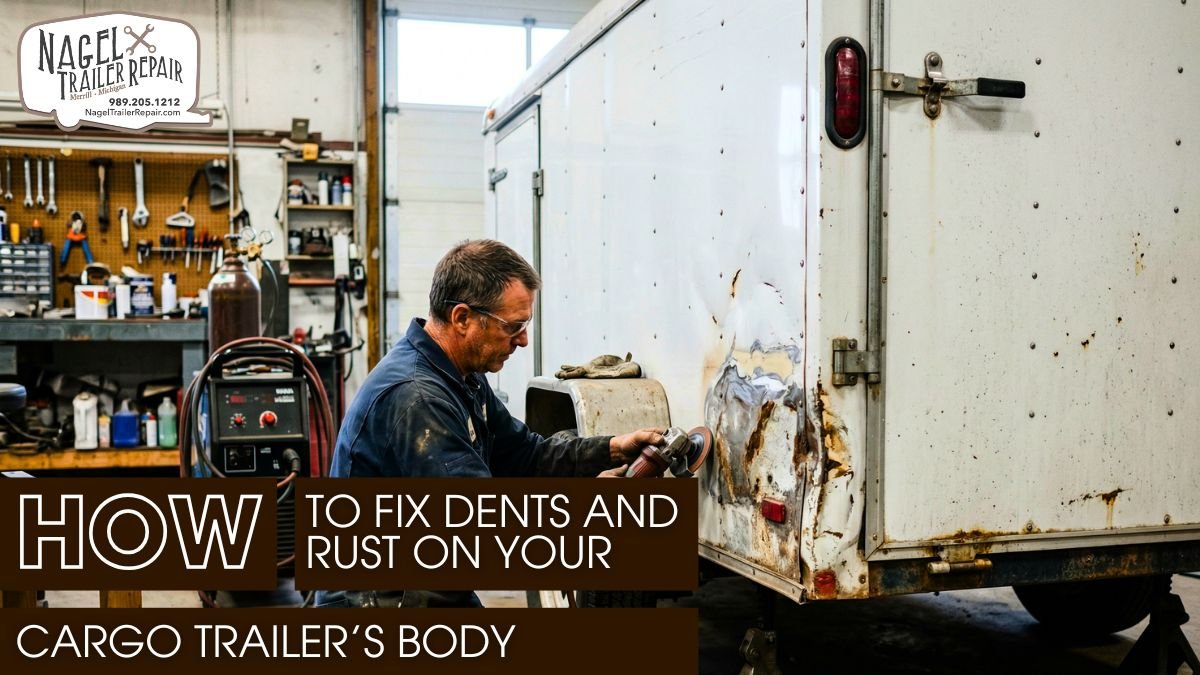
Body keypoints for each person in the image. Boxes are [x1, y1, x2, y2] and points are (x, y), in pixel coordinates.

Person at [318, 239, 663, 608]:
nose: (524, 339)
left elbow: (525, 454)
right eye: (512, 326)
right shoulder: (418, 398)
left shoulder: (460, 374)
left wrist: (610, 449)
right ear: (463, 318)